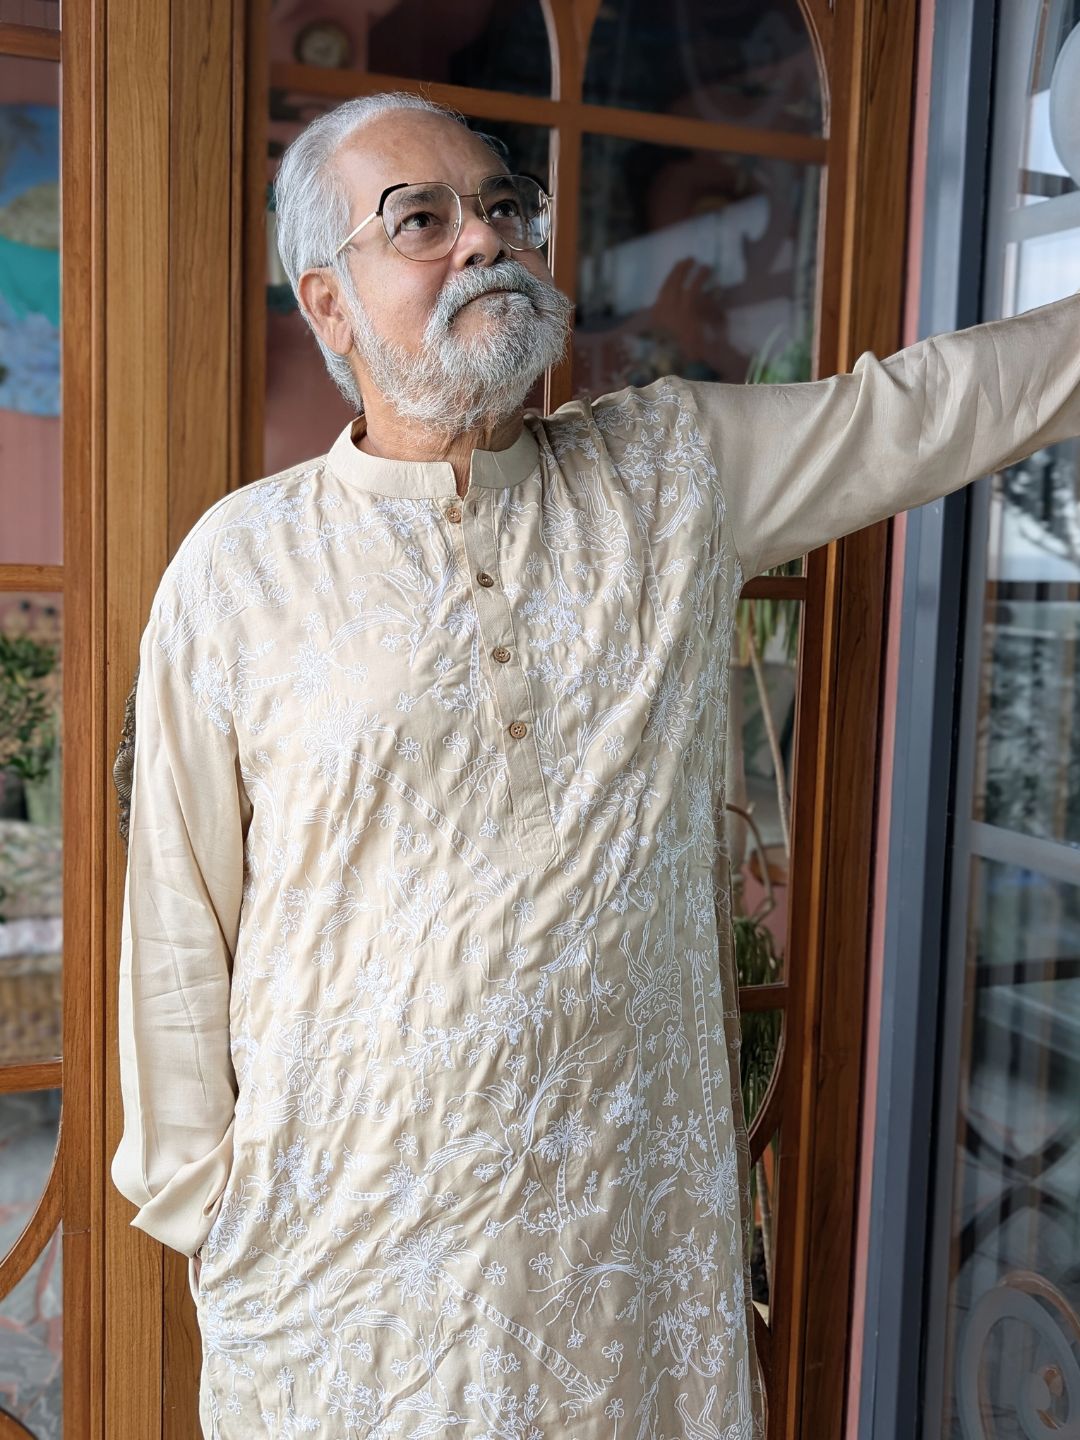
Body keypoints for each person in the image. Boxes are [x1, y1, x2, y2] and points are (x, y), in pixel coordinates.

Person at [110, 89, 1080, 1440]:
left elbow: (925, 410)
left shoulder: (671, 473)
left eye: (503, 208)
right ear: (330, 303)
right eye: (424, 222)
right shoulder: (241, 568)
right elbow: (177, 908)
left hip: (624, 1243)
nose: (485, 243)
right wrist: (205, 1200)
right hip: (347, 1261)